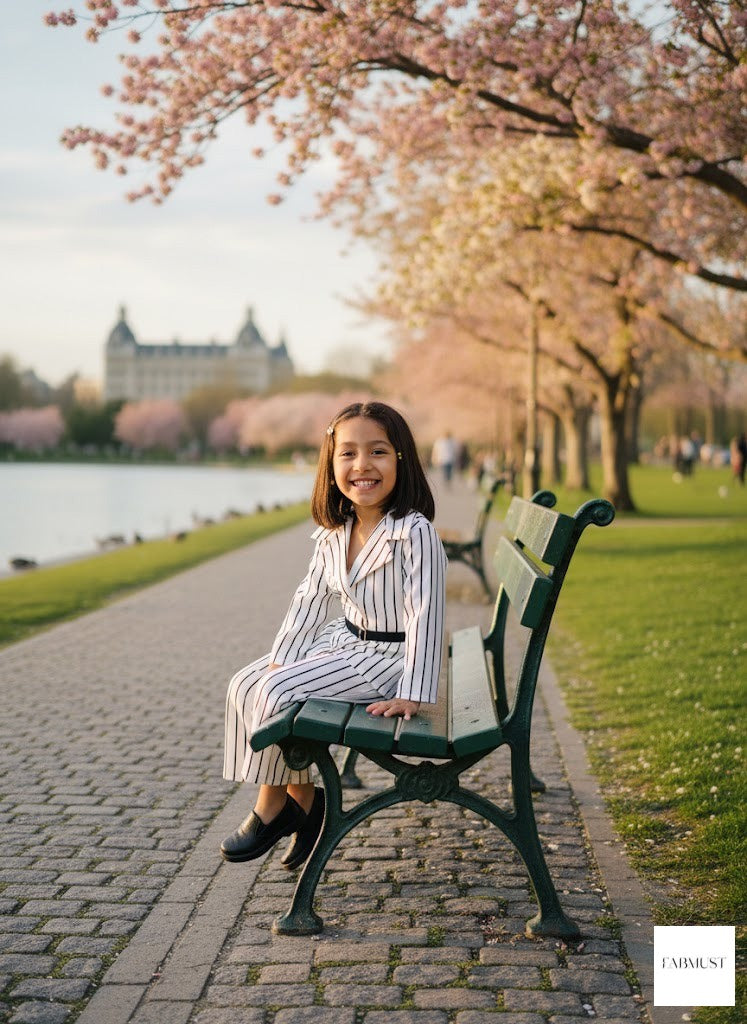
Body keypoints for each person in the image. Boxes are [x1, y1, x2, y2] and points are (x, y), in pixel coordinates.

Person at [221, 401, 447, 867]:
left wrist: (414, 693)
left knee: (275, 691)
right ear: (332, 464)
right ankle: (304, 802)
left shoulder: (414, 532)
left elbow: (428, 612)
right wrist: (283, 655)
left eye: (378, 452)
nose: (362, 465)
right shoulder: (335, 531)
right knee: (246, 683)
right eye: (347, 454)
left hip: (389, 661)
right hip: (344, 643)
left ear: (401, 459)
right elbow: (309, 598)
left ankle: (271, 807)